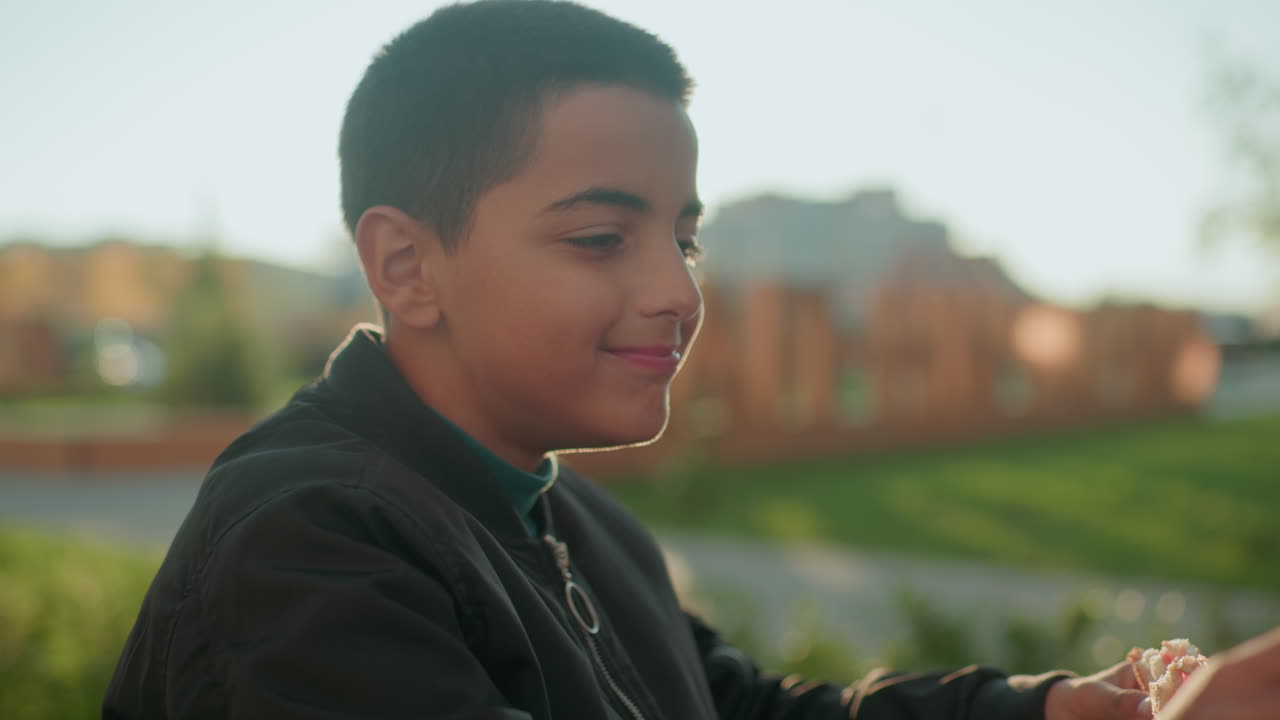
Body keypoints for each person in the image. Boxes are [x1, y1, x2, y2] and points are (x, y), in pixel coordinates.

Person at [102, 2, 1260, 718]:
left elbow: (734, 709)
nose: (674, 289)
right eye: (602, 237)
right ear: (406, 266)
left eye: (684, 237)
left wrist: (1061, 711)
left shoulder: (576, 519)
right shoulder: (307, 543)